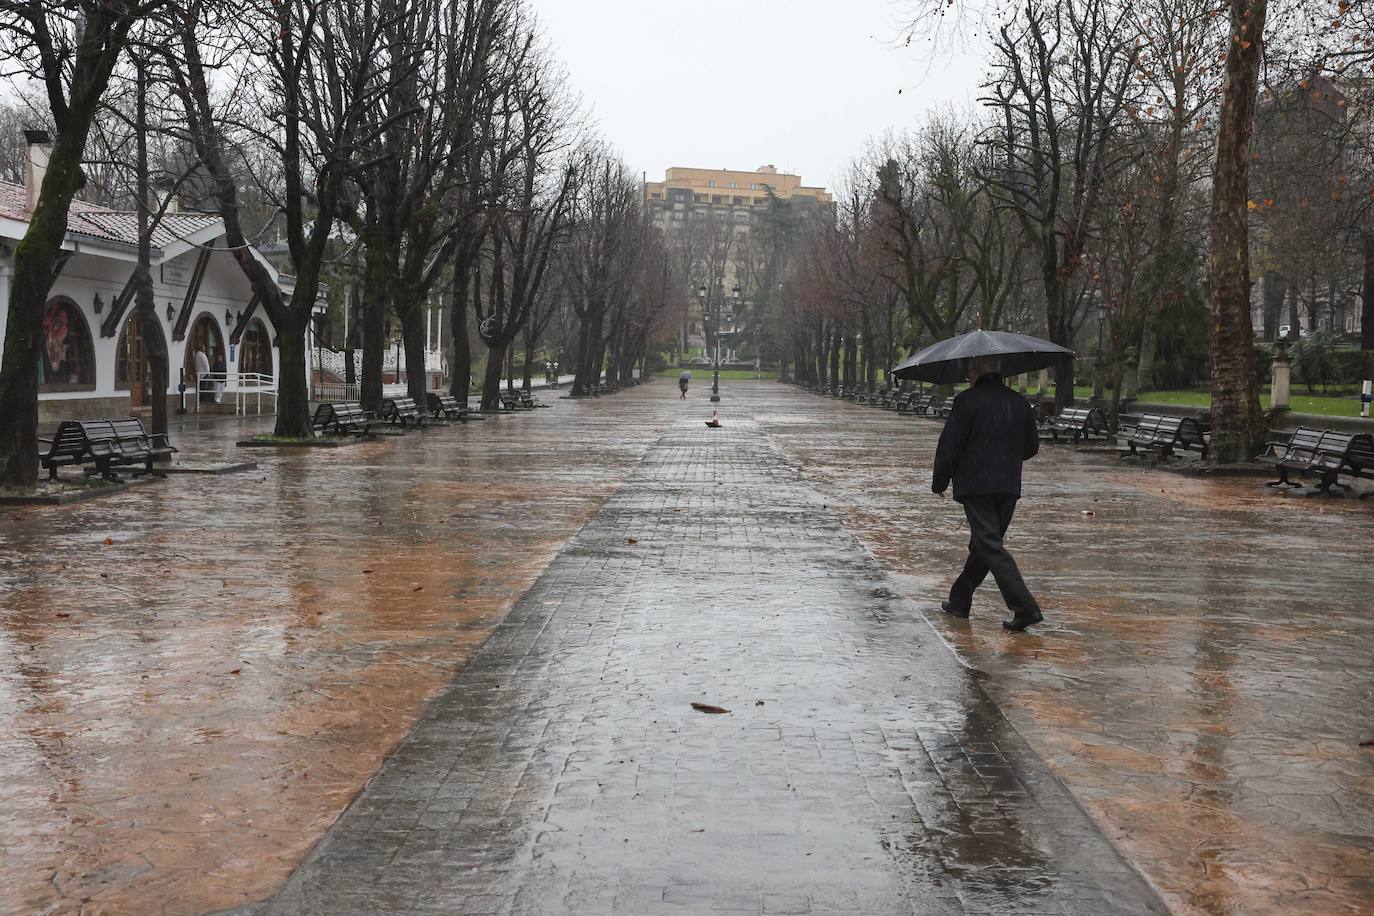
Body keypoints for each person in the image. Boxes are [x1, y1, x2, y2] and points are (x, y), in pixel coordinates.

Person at [931, 354, 1044, 631]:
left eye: (970, 371)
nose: (968, 376)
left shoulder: (967, 401)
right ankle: (960, 598)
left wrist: (940, 481)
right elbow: (1031, 445)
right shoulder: (1018, 402)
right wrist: (1006, 459)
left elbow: (950, 445)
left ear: (976, 371)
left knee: (989, 545)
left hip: (976, 484)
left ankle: (1025, 607)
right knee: (985, 544)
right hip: (1008, 485)